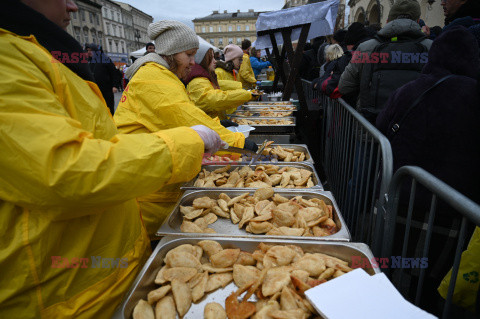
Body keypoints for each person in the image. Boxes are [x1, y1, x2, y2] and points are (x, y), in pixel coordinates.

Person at [0, 1, 224, 318]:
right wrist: (197, 141)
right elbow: (66, 171)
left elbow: (98, 144)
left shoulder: (42, 51)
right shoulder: (10, 57)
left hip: (106, 273)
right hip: (64, 296)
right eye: (188, 55)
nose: (73, 6)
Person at [376, 26, 480, 315]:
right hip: (455, 208)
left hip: (404, 199)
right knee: (434, 279)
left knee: (393, 263)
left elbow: (382, 129)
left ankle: (385, 307)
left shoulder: (410, 90)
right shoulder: (475, 94)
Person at [114, 21, 249, 238]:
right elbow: (184, 117)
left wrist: (219, 126)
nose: (192, 62)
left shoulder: (162, 74)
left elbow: (186, 114)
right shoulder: (153, 78)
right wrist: (239, 143)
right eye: (188, 55)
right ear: (170, 54)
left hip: (157, 184)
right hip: (148, 195)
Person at [339, 0, 433, 123]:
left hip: (371, 129)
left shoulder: (366, 48)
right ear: (417, 21)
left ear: (388, 21)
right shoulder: (432, 48)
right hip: (416, 130)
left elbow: (344, 87)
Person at [184, 39, 253, 120]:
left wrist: (240, 88)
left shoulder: (205, 77)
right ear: (203, 60)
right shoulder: (197, 80)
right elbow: (214, 100)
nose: (215, 61)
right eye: (211, 58)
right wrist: (245, 93)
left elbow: (220, 87)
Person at [85, 43, 122, 115]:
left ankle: (111, 123)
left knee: (108, 108)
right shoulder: (89, 61)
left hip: (106, 89)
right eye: (87, 50)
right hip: (94, 90)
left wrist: (115, 85)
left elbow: (114, 73)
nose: (89, 52)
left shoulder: (105, 59)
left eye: (91, 50)